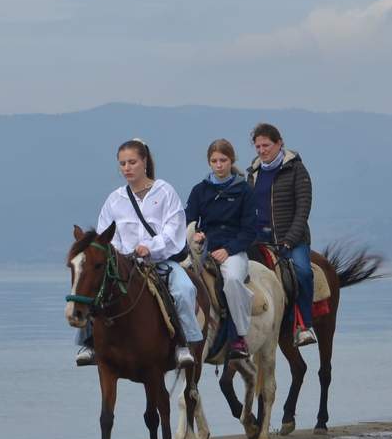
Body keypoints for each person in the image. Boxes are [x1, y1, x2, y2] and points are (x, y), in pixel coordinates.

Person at [75, 139, 202, 369]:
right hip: (125, 264)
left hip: (160, 261)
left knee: (185, 290)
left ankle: (185, 343)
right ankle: (88, 342)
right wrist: (123, 254)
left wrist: (150, 247)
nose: (127, 168)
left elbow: (173, 228)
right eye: (122, 163)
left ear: (144, 161)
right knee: (92, 285)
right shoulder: (115, 199)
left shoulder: (165, 191)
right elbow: (107, 234)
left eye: (132, 162)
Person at [246, 123, 317, 347]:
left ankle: (304, 325)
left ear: (279, 143)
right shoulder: (254, 173)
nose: (261, 150)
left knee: (303, 272)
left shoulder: (296, 170)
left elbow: (303, 209)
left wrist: (289, 240)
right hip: (260, 240)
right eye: (257, 146)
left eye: (266, 145)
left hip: (292, 239)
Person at [185, 139, 255, 360]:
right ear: (209, 162)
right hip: (203, 248)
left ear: (231, 160)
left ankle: (239, 337)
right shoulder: (199, 190)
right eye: (214, 160)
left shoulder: (244, 190)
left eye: (223, 160)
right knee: (178, 276)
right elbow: (188, 219)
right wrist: (194, 232)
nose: (218, 165)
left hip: (233, 250)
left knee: (233, 280)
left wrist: (229, 249)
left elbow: (250, 230)